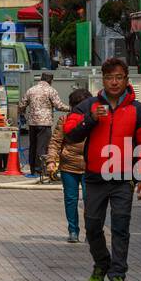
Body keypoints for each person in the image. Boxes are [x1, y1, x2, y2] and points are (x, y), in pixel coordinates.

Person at [61, 57, 141, 281]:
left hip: (123, 180)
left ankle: (118, 276)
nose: (114, 82)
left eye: (118, 77)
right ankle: (101, 263)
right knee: (92, 226)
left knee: (121, 228)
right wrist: (91, 119)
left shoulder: (140, 111)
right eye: (109, 77)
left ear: (126, 79)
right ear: (102, 80)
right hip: (94, 177)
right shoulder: (88, 106)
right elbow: (70, 134)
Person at [47, 87, 92, 243]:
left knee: (90, 201)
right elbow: (55, 142)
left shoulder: (94, 121)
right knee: (71, 200)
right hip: (68, 167)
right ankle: (73, 231)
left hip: (90, 167)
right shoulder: (64, 121)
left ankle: (91, 232)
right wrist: (51, 160)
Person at [20, 72, 65, 182]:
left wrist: (22, 113)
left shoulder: (31, 90)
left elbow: (22, 104)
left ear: (41, 79)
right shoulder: (51, 90)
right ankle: (39, 170)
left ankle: (32, 170)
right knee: (43, 146)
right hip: (45, 123)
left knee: (33, 146)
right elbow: (59, 105)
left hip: (32, 123)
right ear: (50, 81)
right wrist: (71, 108)